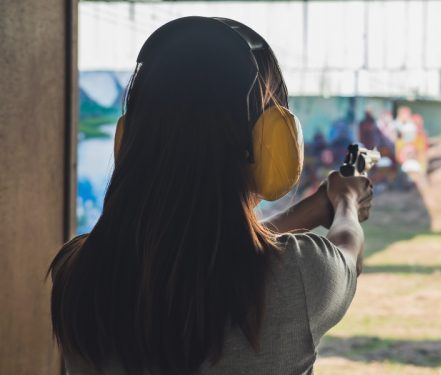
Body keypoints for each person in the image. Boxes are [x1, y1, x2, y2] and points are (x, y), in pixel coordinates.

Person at [48, 17, 372, 375]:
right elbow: (347, 249)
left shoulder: (75, 273)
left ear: (128, 141)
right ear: (269, 143)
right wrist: (345, 202)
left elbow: (196, 252)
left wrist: (310, 210)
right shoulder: (300, 275)